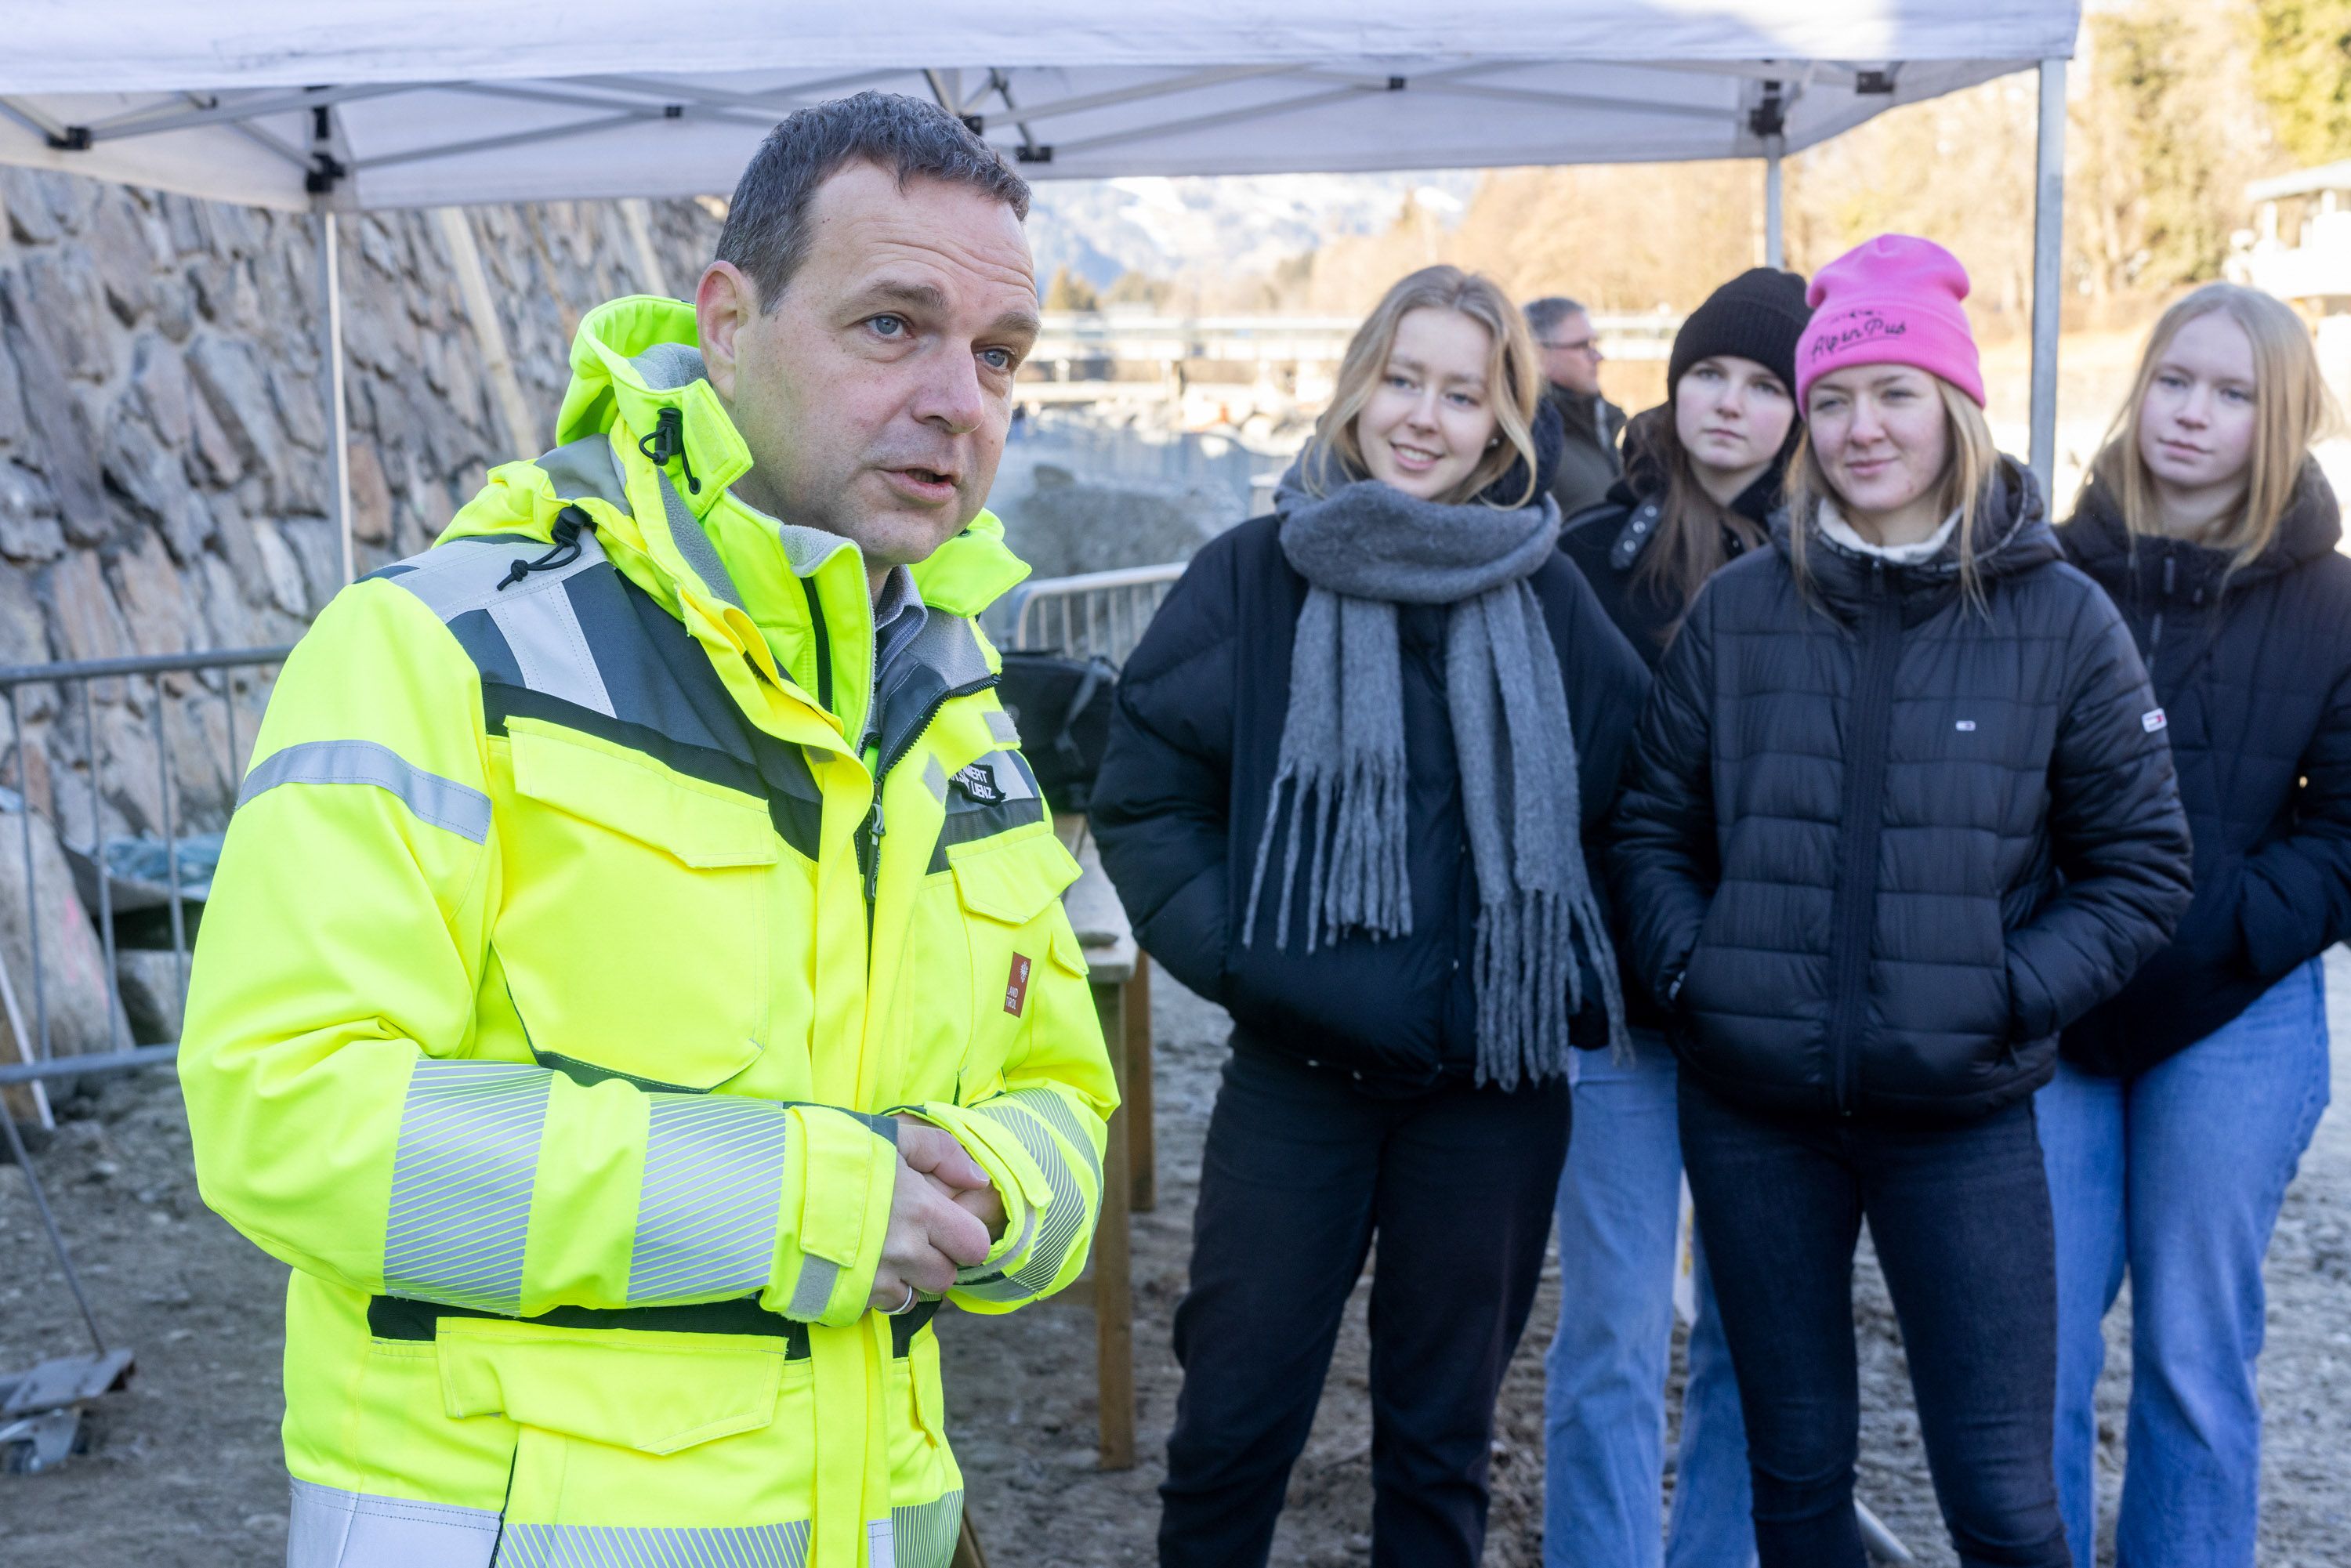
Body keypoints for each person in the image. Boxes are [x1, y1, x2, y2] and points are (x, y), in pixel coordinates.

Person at [179, 94, 1118, 1568]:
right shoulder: (437, 651)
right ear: (727, 321)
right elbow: (284, 1118)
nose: (960, 398)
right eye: (892, 326)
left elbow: (1068, 1093)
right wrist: (811, 1204)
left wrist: (1006, 1189)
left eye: (998, 357)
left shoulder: (953, 703)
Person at [1611, 234, 2195, 1568]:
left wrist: (2003, 993)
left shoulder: (2060, 620)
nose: (1861, 427)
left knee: (2001, 1495)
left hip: (1962, 1118)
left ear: (1956, 407)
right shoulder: (1743, 609)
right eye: (1833, 399)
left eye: (1895, 393)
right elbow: (1653, 825)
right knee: (1797, 1477)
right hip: (1755, 1113)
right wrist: (1703, 972)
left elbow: (2143, 863)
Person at [1091, 264, 1648, 1568]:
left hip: (1489, 1095)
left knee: (1442, 1447)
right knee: (1231, 1426)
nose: (1423, 416)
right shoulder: (1252, 575)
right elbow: (1148, 790)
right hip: (1300, 1081)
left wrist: (1561, 970)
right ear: (1355, 385)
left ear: (1505, 422)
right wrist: (1250, 959)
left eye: (1462, 393)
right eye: (1403, 378)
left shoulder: (1551, 596)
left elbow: (1643, 809)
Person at [2040, 283, 2350, 1568]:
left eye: (2232, 395)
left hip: (2235, 1011)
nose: (2193, 414)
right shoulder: (2043, 568)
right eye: (2176, 380)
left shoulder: (2333, 601)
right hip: (2051, 1006)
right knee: (2031, 1343)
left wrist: (2223, 922)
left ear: (2277, 421)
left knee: (2192, 1347)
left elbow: (2344, 833)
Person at [1547, 265, 1812, 1568]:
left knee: (1752, 1335)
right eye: (1712, 371)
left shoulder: (1833, 577)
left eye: (1767, 385)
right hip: (1619, 1014)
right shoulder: (1588, 560)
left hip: (1772, 1018)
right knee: (1608, 1329)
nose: (1730, 404)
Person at [1529, 294, 1627, 516]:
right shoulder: (1532, 443)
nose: (1598, 356)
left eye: (1595, 343)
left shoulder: (1596, 425)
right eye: (1583, 346)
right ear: (1539, 355)